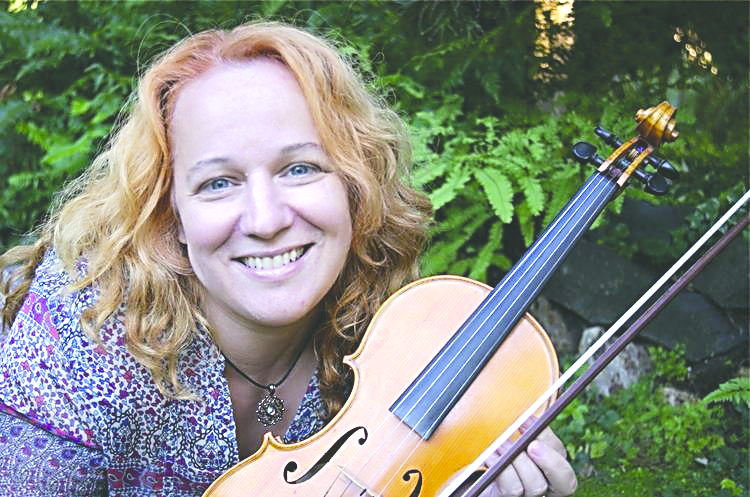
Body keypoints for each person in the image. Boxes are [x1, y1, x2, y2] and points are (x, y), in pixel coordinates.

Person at [0, 21, 577, 497]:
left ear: (354, 186)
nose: (267, 219)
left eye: (300, 168)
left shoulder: (394, 334)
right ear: (170, 215)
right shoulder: (87, 326)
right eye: (218, 183)